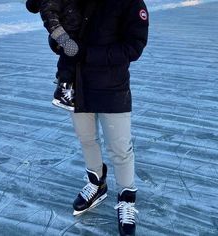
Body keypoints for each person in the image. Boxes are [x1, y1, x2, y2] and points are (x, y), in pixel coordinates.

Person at [32, 0, 149, 235]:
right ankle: (97, 184)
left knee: (119, 147)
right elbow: (64, 33)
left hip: (112, 87)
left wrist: (88, 53)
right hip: (79, 84)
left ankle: (127, 197)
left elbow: (133, 47)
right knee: (86, 139)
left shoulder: (132, 3)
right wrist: (60, 41)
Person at [25, 0, 82, 111]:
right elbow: (50, 19)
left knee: (74, 58)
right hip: (63, 36)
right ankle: (63, 89)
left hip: (74, 32)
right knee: (72, 54)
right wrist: (63, 40)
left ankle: (65, 79)